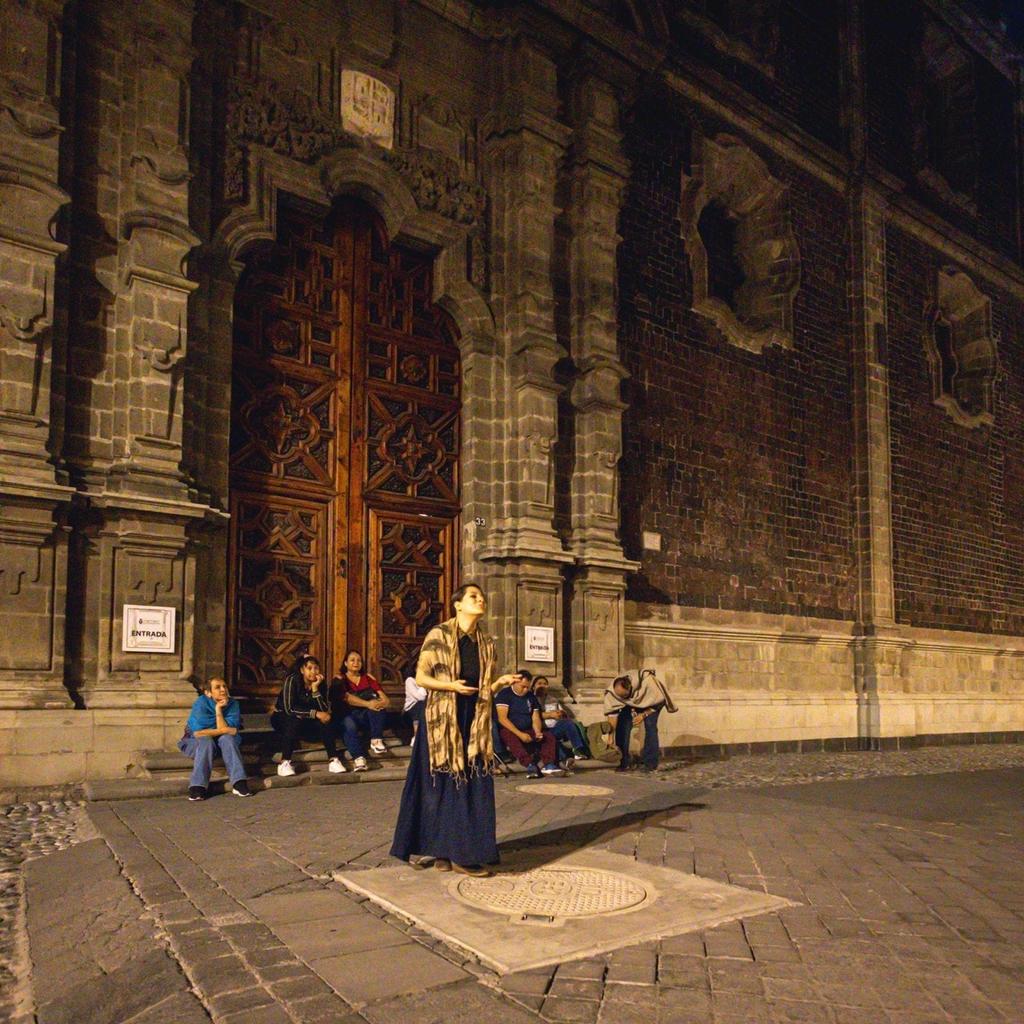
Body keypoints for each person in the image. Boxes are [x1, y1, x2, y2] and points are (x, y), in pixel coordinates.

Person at [390, 582, 515, 877]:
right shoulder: (439, 635)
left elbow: (484, 688)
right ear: (457, 604)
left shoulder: (487, 642)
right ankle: (445, 850)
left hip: (474, 719)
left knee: (470, 785)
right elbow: (422, 678)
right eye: (474, 596)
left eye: (482, 596)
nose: (480, 600)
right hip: (442, 720)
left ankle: (456, 851)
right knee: (439, 785)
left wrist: (499, 683)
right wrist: (450, 686)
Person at [179, 677, 251, 800]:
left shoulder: (233, 704)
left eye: (224, 686)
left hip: (221, 741)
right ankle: (198, 786)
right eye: (218, 687)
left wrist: (218, 710)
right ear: (208, 693)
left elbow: (229, 730)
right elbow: (198, 733)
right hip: (197, 741)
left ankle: (239, 782)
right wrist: (225, 730)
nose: (223, 690)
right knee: (206, 741)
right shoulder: (201, 703)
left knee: (228, 739)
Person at [272, 654, 343, 776]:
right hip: (283, 718)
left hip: (307, 720)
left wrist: (315, 689)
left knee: (326, 721)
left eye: (316, 668)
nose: (313, 672)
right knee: (294, 720)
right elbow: (289, 709)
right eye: (309, 668)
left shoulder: (320, 683)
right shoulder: (292, 680)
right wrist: (315, 713)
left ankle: (333, 759)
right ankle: (284, 762)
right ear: (302, 670)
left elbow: (324, 709)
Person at [494, 670, 564, 779]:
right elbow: (502, 718)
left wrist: (537, 731)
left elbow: (535, 717)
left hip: (528, 728)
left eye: (528, 687)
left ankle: (548, 764)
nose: (525, 690)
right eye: (523, 687)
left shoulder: (531, 696)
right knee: (509, 735)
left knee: (548, 736)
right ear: (515, 683)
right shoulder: (504, 694)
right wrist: (520, 734)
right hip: (510, 729)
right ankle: (529, 764)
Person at [335, 649, 391, 771]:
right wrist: (368, 704)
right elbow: (347, 698)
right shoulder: (340, 679)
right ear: (345, 663)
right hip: (348, 714)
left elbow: (386, 700)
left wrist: (377, 703)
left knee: (378, 707)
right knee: (349, 724)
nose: (356, 663)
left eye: (359, 660)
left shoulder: (368, 678)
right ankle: (359, 758)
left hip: (366, 716)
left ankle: (376, 740)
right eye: (352, 660)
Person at [604, 672, 667, 773]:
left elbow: (659, 701)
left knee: (650, 726)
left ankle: (650, 763)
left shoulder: (648, 683)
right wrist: (610, 737)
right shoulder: (612, 693)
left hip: (652, 703)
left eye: (624, 695)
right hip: (629, 703)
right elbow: (612, 715)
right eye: (620, 696)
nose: (621, 698)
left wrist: (643, 715)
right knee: (622, 725)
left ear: (630, 689)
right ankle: (624, 762)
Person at [533, 676, 590, 764]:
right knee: (551, 741)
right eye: (539, 684)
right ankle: (565, 759)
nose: (542, 686)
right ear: (533, 687)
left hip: (554, 728)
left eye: (545, 684)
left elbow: (563, 714)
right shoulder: (531, 699)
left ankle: (578, 750)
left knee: (568, 723)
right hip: (540, 731)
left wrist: (561, 713)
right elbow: (529, 716)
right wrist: (549, 715)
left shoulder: (552, 699)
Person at [403, 655, 427, 746]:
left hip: (424, 705)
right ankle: (416, 737)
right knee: (421, 705)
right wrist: (424, 685)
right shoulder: (410, 680)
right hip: (411, 709)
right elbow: (419, 697)